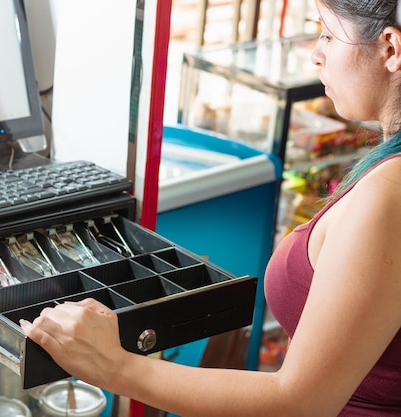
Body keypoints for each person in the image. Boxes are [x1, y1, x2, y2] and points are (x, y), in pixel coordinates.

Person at [20, 0, 401, 415]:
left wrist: (113, 366)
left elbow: (298, 402)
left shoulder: (388, 195)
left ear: (390, 49)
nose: (316, 52)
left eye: (328, 33)